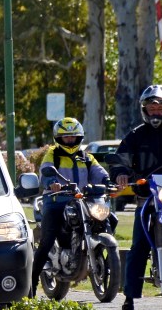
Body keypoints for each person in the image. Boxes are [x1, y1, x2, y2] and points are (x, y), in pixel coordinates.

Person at [30, 117, 111, 299]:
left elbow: (98, 171)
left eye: (73, 137)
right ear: (59, 138)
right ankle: (32, 285)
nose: (70, 140)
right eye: (66, 137)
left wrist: (107, 181)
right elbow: (46, 170)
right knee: (47, 240)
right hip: (56, 200)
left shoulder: (85, 156)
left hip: (82, 201)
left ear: (79, 137)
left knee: (109, 218)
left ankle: (102, 254)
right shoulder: (53, 154)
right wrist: (52, 182)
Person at [110, 85, 162, 310]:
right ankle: (128, 302)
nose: (156, 112)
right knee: (138, 248)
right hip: (147, 199)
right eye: (152, 108)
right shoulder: (135, 136)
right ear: (144, 110)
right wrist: (121, 173)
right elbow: (120, 160)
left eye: (160, 107)